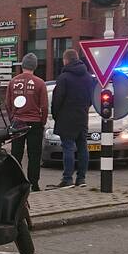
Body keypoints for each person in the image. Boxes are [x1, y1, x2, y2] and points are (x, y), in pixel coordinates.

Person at [50, 48, 95, 188]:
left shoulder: (64, 78)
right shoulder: (88, 77)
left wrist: (56, 114)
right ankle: (81, 179)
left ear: (66, 60)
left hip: (66, 118)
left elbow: (57, 99)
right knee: (82, 147)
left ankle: (67, 179)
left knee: (68, 147)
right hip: (82, 117)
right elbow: (92, 99)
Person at [6, 53, 48, 191]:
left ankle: (16, 183)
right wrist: (42, 122)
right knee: (34, 155)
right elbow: (44, 107)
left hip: (18, 122)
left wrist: (12, 118)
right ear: (35, 66)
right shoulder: (40, 83)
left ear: (23, 65)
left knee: (16, 154)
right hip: (35, 123)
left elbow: (8, 104)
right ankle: (33, 184)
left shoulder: (13, 82)